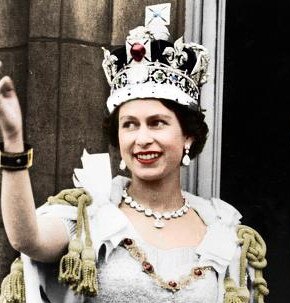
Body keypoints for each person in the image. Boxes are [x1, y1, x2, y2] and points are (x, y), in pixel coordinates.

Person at [0, 9, 268, 303]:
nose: (142, 139)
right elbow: (28, 239)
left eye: (157, 123)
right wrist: (13, 143)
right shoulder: (89, 216)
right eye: (129, 125)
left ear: (188, 136)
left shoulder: (223, 230)